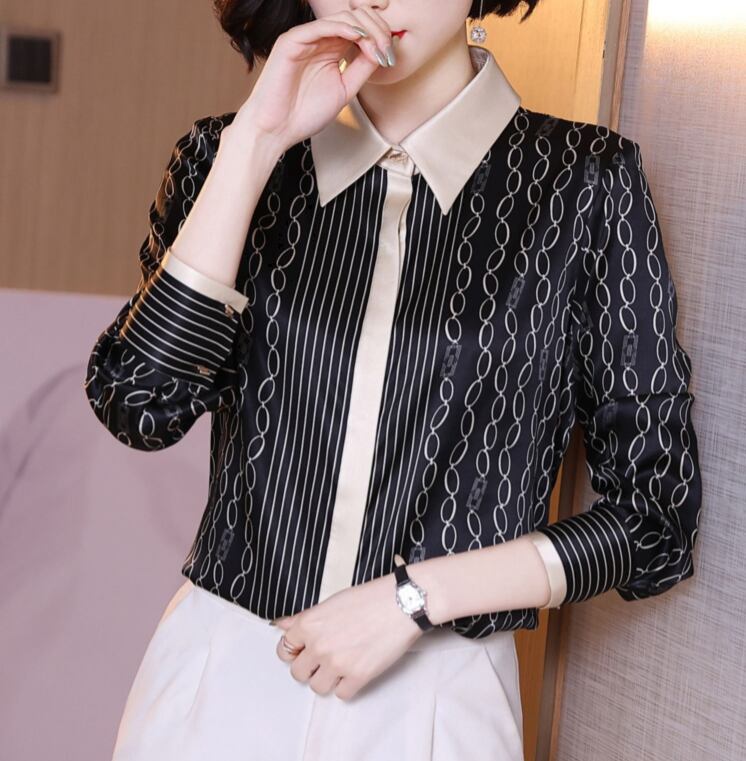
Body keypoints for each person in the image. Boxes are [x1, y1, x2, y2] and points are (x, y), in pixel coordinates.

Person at [83, 0, 703, 759]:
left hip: (438, 698)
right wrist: (256, 142)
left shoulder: (585, 182)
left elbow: (657, 517)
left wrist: (416, 598)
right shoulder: (228, 154)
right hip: (218, 679)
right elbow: (139, 404)